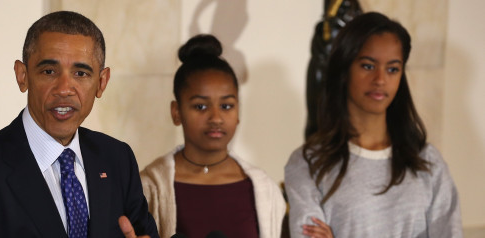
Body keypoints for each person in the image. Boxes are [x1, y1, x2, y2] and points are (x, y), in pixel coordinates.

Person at [0, 11, 158, 238]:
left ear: (101, 82)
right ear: (23, 76)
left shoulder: (117, 159)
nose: (64, 89)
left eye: (80, 73)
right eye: (49, 71)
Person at [284, 12, 462, 238]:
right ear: (344, 69)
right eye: (368, 66)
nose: (380, 80)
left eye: (392, 69)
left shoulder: (428, 162)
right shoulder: (307, 163)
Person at [140, 34, 285, 238]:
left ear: (238, 112)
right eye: (200, 106)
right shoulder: (149, 186)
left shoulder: (263, 188)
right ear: (177, 112)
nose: (216, 118)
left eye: (226, 106)